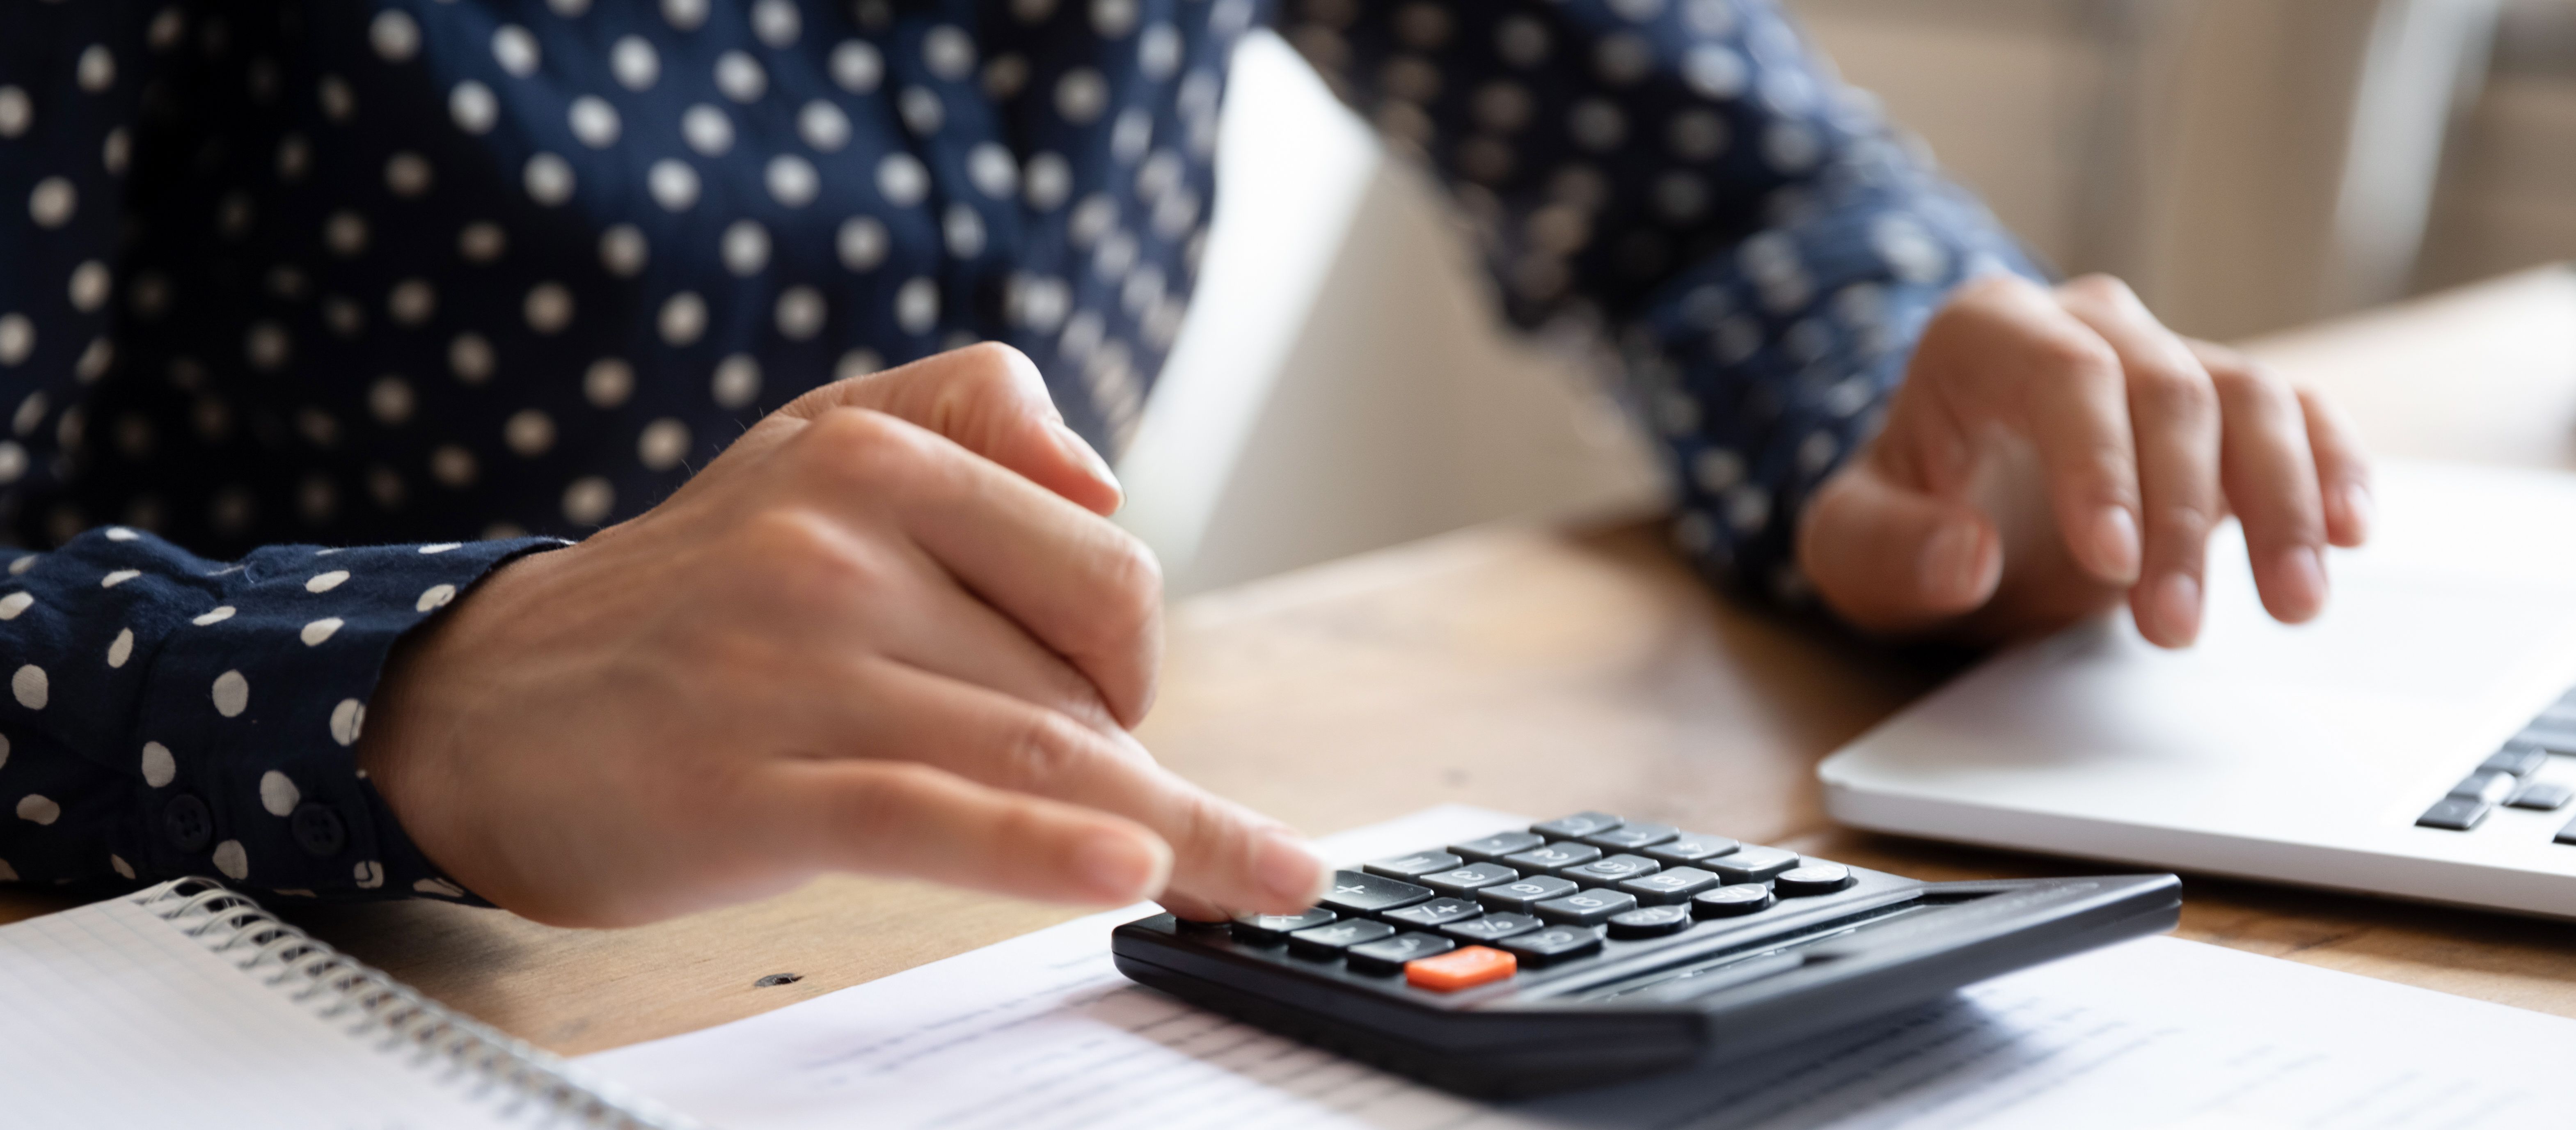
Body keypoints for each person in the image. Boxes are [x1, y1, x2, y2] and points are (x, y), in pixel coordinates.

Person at [0, 0, 2366, 928]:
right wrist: (418, 685)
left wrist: (1920, 433)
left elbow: (1730, 193)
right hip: (262, 1070)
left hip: (931, 1018)